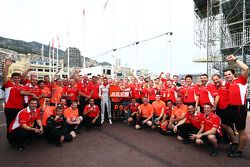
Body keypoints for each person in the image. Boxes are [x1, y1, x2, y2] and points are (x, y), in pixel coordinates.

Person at [223, 54, 249, 158]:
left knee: (241, 130)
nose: (227, 76)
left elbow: (246, 68)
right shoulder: (228, 84)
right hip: (231, 107)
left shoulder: (240, 80)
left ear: (234, 74)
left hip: (239, 108)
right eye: (225, 75)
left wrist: (235, 59)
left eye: (229, 74)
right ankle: (234, 142)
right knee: (224, 124)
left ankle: (239, 150)